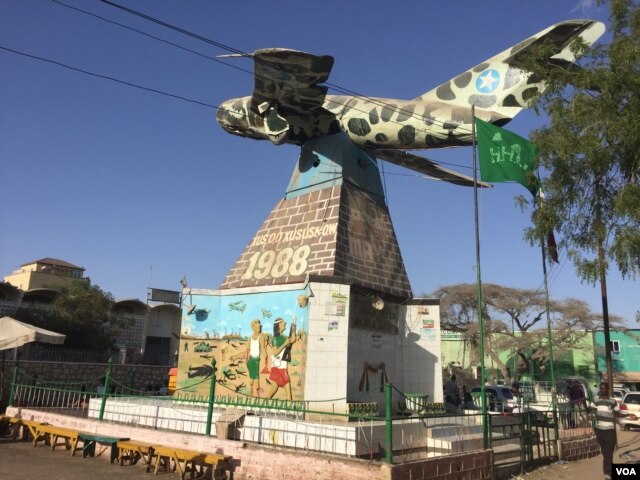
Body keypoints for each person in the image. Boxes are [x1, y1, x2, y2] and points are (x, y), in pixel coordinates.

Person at [590, 381, 626, 480]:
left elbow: (618, 413)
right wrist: (586, 406)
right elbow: (590, 410)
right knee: (605, 453)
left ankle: (608, 473)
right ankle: (608, 469)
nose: (602, 390)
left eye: (604, 388)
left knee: (609, 451)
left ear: (608, 389)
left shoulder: (613, 401)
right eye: (601, 388)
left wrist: (628, 415)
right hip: (599, 430)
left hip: (610, 429)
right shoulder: (595, 400)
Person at [232, 318, 268, 397]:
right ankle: (255, 391)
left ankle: (253, 390)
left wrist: (265, 355)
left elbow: (262, 348)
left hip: (256, 361)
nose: (259, 326)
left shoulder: (261, 337)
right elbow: (247, 350)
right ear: (253, 327)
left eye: (259, 324)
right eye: (257, 324)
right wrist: (246, 360)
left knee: (253, 378)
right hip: (251, 360)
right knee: (255, 378)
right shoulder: (250, 338)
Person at [266, 317, 296, 400]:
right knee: (284, 387)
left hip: (282, 367)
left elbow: (293, 339)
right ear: (278, 325)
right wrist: (285, 343)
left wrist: (293, 326)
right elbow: (275, 353)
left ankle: (264, 404)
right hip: (278, 368)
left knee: (276, 388)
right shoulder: (275, 338)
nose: (285, 323)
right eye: (283, 322)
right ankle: (289, 407)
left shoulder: (284, 337)